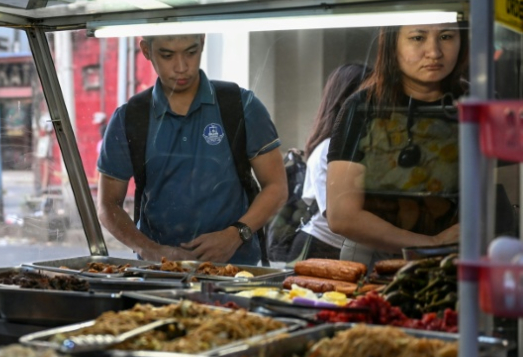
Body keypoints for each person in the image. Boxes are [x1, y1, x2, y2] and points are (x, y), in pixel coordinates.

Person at [97, 34, 288, 265]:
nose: (181, 67)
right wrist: (150, 250)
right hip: (160, 273)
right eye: (167, 55)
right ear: (146, 51)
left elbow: (276, 186)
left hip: (235, 271)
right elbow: (108, 204)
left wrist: (236, 234)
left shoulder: (239, 105)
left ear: (202, 43)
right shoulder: (130, 118)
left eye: (191, 52)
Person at [326, 23, 467, 265]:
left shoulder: (476, 103)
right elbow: (341, 216)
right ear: (392, 44)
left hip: (461, 258)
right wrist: (431, 245)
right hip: (374, 260)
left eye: (446, 36)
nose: (434, 52)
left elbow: (504, 197)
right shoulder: (363, 106)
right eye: (417, 38)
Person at [287, 63, 371, 261]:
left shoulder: (357, 145)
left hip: (340, 246)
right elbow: (339, 217)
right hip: (321, 247)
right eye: (368, 95)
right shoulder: (329, 148)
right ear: (345, 99)